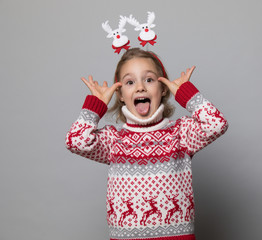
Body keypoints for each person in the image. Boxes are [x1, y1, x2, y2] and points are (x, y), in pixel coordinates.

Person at [65, 48, 228, 240]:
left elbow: (216, 125)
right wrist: (96, 104)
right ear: (120, 94)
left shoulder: (181, 134)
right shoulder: (114, 141)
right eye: (130, 82)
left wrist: (186, 93)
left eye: (149, 79)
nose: (140, 87)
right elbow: (76, 142)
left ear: (163, 89)